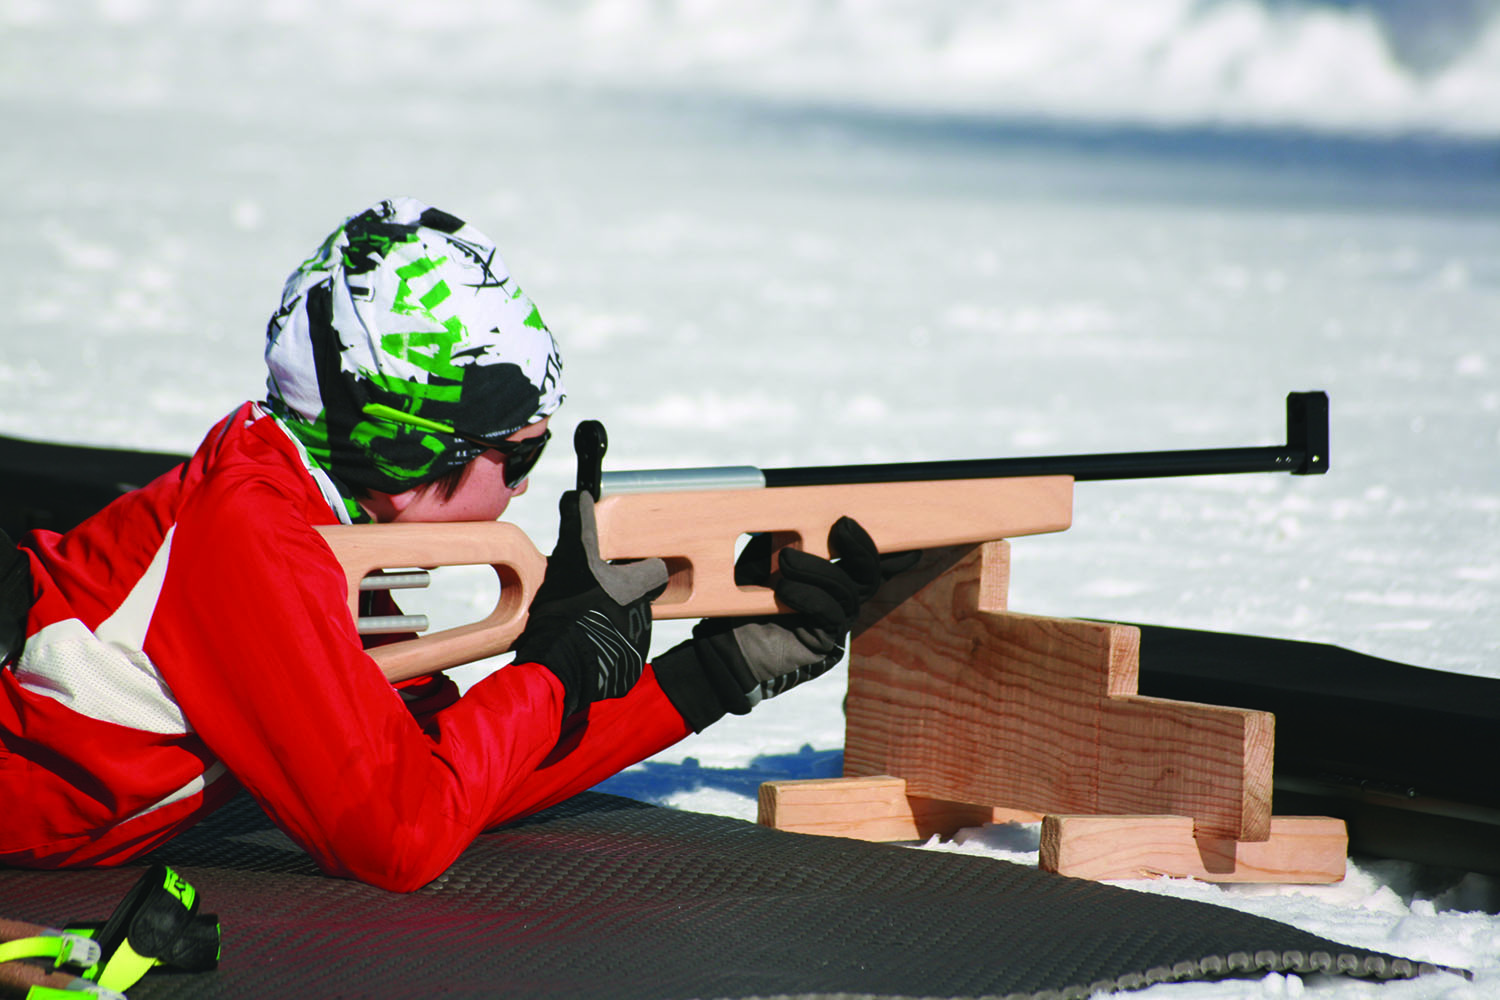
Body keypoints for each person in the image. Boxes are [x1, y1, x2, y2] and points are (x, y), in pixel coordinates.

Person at [0, 198, 902, 892]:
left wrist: (710, 675)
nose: (523, 487)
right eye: (518, 455)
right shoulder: (252, 540)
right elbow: (397, 837)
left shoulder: (316, 518)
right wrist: (552, 674)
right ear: (405, 451)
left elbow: (447, 774)